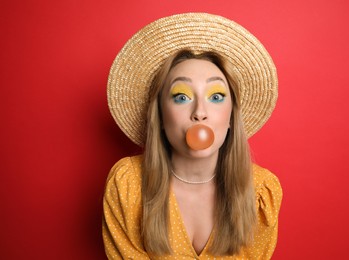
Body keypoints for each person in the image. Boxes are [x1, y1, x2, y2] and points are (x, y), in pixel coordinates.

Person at [103, 13, 282, 259]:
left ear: (230, 117)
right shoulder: (128, 184)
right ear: (161, 117)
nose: (199, 113)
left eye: (216, 96)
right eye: (181, 97)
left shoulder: (261, 192)